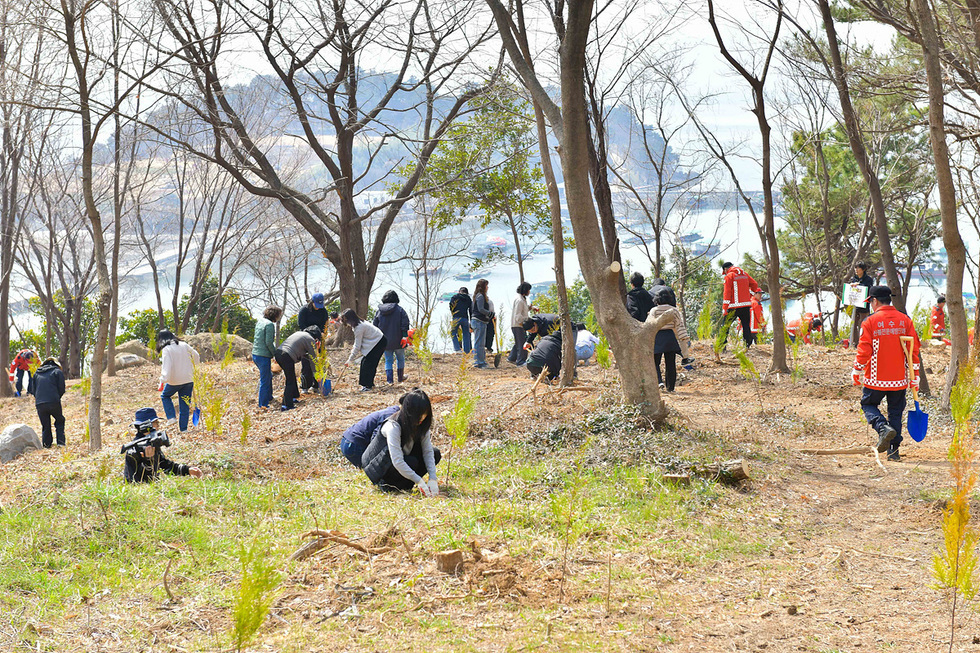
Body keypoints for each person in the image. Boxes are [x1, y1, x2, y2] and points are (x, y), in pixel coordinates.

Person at [851, 285, 920, 461]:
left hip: (876, 378)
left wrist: (857, 369)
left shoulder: (870, 321)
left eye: (871, 302)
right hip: (898, 379)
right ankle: (893, 452)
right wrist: (915, 375)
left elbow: (864, 349)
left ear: (874, 301)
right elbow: (913, 349)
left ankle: (882, 428)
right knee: (895, 412)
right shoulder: (905, 320)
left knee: (868, 405)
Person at [360, 388, 441, 494]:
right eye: (419, 415)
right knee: (411, 462)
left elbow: (428, 451)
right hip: (378, 466)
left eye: (425, 414)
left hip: (400, 460)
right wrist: (419, 480)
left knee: (435, 453)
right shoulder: (393, 426)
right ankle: (387, 485)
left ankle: (405, 484)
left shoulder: (422, 424)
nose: (422, 418)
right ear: (410, 413)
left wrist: (433, 479)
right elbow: (397, 460)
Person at [123, 407, 202, 483]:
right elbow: (138, 481)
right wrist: (148, 461)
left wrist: (188, 470)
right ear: (145, 426)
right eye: (155, 423)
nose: (158, 426)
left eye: (157, 423)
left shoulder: (152, 442)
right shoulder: (134, 450)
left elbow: (165, 465)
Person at [649, 288, 694, 392]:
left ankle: (659, 382)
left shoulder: (654, 310)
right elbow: (680, 327)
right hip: (670, 338)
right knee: (671, 364)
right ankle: (671, 387)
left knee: (655, 363)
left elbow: (649, 325)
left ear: (657, 300)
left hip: (658, 338)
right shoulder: (674, 310)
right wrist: (684, 339)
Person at [157, 330, 201, 432]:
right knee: (184, 405)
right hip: (188, 379)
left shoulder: (166, 349)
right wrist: (193, 368)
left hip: (174, 381)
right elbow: (196, 356)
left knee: (165, 396)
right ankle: (184, 429)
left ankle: (171, 417)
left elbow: (166, 367)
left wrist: (163, 380)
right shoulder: (184, 345)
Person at [274, 325, 321, 410]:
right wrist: (317, 375)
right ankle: (287, 405)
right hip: (287, 356)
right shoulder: (310, 339)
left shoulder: (299, 334)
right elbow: (313, 359)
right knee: (290, 380)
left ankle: (294, 396)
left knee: (291, 376)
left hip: (279, 353)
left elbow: (303, 354)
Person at [342, 309, 386, 391]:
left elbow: (357, 345)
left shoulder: (359, 327)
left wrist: (350, 359)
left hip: (379, 342)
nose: (346, 323)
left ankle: (368, 386)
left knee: (368, 364)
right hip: (375, 342)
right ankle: (367, 385)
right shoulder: (357, 324)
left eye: (346, 321)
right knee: (365, 363)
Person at [374, 290, 411, 384]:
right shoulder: (400, 310)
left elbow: (375, 326)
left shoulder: (379, 311)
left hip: (385, 341)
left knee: (388, 360)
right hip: (399, 340)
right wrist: (404, 337)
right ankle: (400, 377)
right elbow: (405, 324)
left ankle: (389, 380)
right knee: (400, 358)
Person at [28, 357, 66, 448]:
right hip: (54, 401)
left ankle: (46, 445)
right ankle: (60, 443)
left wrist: (39, 398)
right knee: (60, 420)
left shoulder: (37, 373)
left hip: (40, 403)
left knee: (45, 425)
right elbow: (62, 388)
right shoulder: (57, 371)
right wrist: (56, 397)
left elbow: (32, 390)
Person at [721, 262, 761, 347]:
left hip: (733, 307)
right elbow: (754, 284)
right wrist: (750, 294)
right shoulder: (744, 274)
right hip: (746, 305)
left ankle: (722, 345)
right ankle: (747, 345)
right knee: (746, 326)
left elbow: (727, 293)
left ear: (725, 269)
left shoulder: (729, 276)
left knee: (725, 326)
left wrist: (724, 308)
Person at [252, 305, 282, 409]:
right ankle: (263, 405)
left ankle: (269, 397)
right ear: (275, 315)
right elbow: (269, 342)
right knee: (265, 380)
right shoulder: (269, 325)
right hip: (263, 356)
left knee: (268, 376)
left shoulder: (260, 322)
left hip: (255, 354)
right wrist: (275, 354)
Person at [848, 262, 874, 346]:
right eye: (855, 268)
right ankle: (854, 343)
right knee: (854, 325)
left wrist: (858, 285)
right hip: (854, 306)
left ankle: (863, 343)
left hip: (864, 306)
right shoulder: (853, 279)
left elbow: (868, 290)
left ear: (863, 269)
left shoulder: (868, 279)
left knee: (863, 325)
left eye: (858, 268)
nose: (856, 270)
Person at [509, 282, 533, 366]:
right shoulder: (519, 300)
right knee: (522, 343)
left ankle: (512, 358)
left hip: (518, 324)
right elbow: (518, 315)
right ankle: (520, 361)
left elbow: (523, 311)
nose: (529, 292)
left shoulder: (522, 299)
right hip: (518, 325)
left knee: (518, 342)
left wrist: (529, 308)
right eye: (529, 290)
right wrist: (525, 321)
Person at [471, 279, 493, 369]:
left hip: (481, 321)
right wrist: (490, 313)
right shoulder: (480, 296)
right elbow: (480, 309)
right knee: (479, 342)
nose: (487, 287)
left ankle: (481, 361)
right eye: (486, 286)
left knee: (481, 342)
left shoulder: (480, 296)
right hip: (478, 321)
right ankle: (478, 362)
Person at [449, 287, 472, 354]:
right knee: (466, 334)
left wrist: (453, 313)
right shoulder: (468, 299)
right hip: (465, 318)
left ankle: (457, 349)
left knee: (453, 333)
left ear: (459, 291)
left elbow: (451, 306)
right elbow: (471, 310)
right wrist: (471, 321)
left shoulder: (454, 297)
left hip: (456, 317)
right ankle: (467, 351)